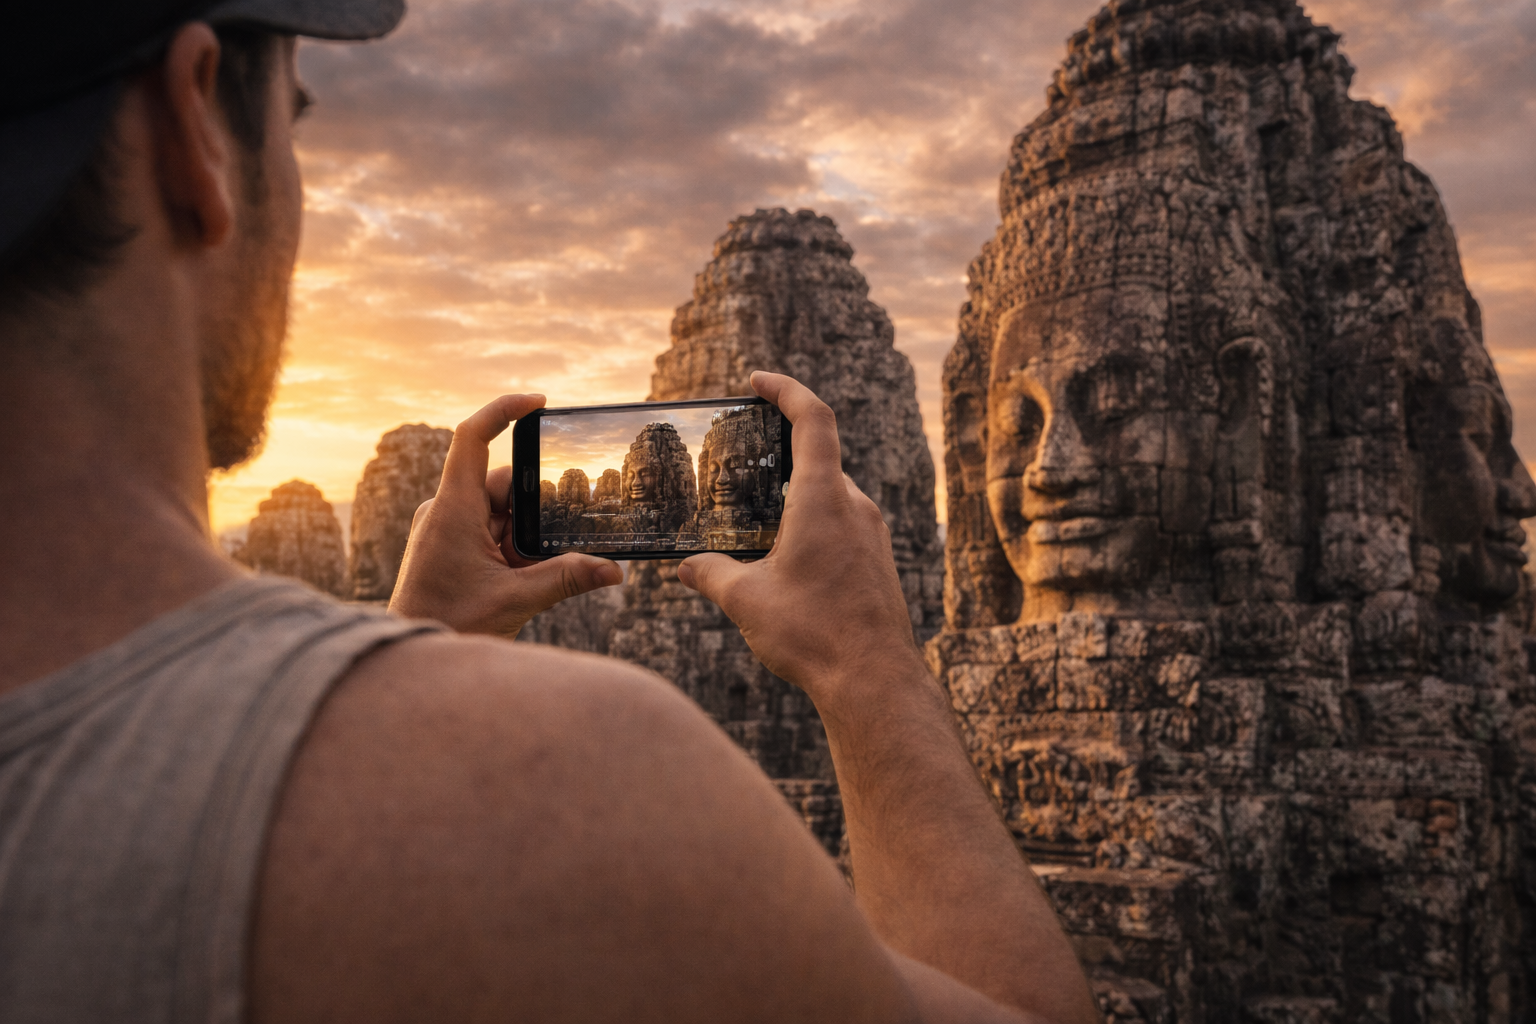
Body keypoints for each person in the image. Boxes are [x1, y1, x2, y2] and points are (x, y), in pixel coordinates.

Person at [0, 2, 1100, 1022]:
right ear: (196, 123)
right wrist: (868, 667)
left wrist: (413, 646)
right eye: (293, 120)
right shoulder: (575, 780)